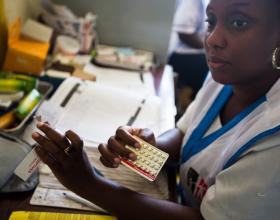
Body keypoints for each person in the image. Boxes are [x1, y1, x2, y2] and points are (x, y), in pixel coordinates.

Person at [32, 0, 280, 219]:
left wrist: (88, 184)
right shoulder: (225, 77)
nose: (212, 39)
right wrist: (150, 149)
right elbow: (185, 133)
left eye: (238, 23)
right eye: (211, 21)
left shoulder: (274, 138)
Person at [168, 0, 209, 100]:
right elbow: (184, 33)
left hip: (197, 55)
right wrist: (209, 47)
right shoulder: (193, 2)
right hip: (184, 56)